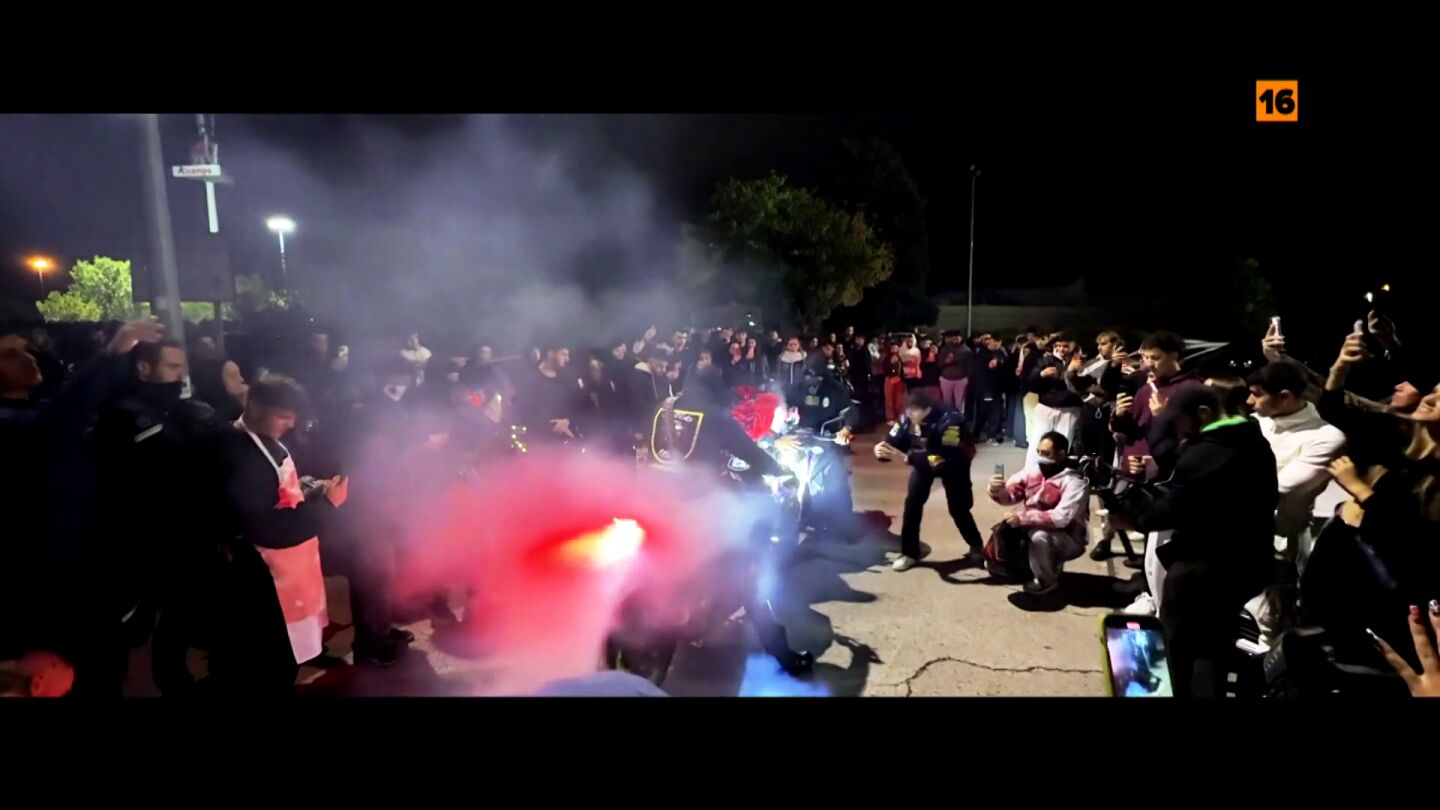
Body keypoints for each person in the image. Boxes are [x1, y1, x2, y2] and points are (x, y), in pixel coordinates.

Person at [1109, 385, 1278, 698]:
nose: (1179, 433)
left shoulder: (1203, 455)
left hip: (1203, 569)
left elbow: (1170, 510)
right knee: (1216, 642)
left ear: (1202, 414)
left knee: (1184, 648)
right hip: (1249, 563)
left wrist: (1131, 518)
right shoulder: (1253, 441)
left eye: (1180, 424)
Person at [643, 383, 813, 674]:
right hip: (694, 514)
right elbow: (753, 455)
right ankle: (783, 654)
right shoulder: (714, 417)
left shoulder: (661, 409)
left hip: (649, 506)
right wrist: (783, 472)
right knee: (746, 577)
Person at [88, 337, 223, 694]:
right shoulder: (124, 415)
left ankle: (175, 680)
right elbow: (140, 478)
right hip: (140, 543)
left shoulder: (172, 410)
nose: (180, 376)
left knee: (177, 617)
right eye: (172, 367)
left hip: (176, 538)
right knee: (134, 628)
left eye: (183, 368)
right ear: (144, 368)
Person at [874, 392, 986, 572]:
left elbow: (943, 460)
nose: (909, 414)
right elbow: (893, 441)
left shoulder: (951, 422)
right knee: (912, 504)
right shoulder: (907, 417)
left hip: (954, 464)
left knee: (958, 509)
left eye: (914, 410)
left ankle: (976, 545)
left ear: (927, 410)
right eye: (907, 410)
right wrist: (881, 450)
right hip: (922, 461)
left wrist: (911, 457)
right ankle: (909, 553)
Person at [1246, 360, 1346, 558]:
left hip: (1279, 545)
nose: (1249, 400)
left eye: (1257, 394)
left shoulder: (1327, 437)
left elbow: (1280, 489)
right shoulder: (1255, 422)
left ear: (1285, 397)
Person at [986, 432, 1091, 596]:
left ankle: (1046, 581)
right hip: (1033, 526)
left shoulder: (1074, 482)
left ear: (1061, 454)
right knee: (1004, 530)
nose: (1041, 457)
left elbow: (1061, 518)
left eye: (1047, 453)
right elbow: (1011, 496)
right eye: (1039, 452)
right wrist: (997, 490)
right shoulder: (1033, 472)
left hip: (1069, 537)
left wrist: (1023, 518)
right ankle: (1030, 566)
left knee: (1039, 537)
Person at [1024, 331, 1085, 470]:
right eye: (1058, 346)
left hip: (1069, 409)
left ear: (1073, 346)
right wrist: (1040, 375)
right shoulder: (1045, 360)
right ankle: (1032, 472)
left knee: (1063, 443)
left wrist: (1070, 373)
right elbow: (1031, 384)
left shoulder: (1079, 362)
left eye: (1065, 346)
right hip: (1046, 407)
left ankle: (1058, 473)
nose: (1061, 349)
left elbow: (1080, 386)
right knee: (1038, 441)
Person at [970, 334, 1008, 444]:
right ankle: (982, 434)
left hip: (997, 387)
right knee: (986, 411)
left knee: (996, 410)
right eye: (989, 341)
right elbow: (979, 371)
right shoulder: (982, 354)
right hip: (986, 387)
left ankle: (993, 433)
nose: (993, 343)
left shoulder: (1000, 353)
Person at [937, 331, 973, 416]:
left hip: (961, 379)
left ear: (961, 338)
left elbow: (970, 366)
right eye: (953, 338)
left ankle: (959, 418)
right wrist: (946, 361)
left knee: (959, 402)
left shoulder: (966, 350)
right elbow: (939, 364)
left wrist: (967, 379)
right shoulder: (945, 349)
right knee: (947, 401)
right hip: (946, 378)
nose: (955, 340)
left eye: (957, 338)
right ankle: (947, 418)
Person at [881, 341, 906, 425]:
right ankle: (890, 417)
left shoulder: (901, 358)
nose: (895, 349)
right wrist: (891, 373)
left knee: (899, 399)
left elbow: (903, 370)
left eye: (896, 348)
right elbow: (884, 368)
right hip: (889, 379)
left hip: (899, 380)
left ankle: (899, 416)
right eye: (893, 348)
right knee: (889, 399)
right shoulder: (886, 358)